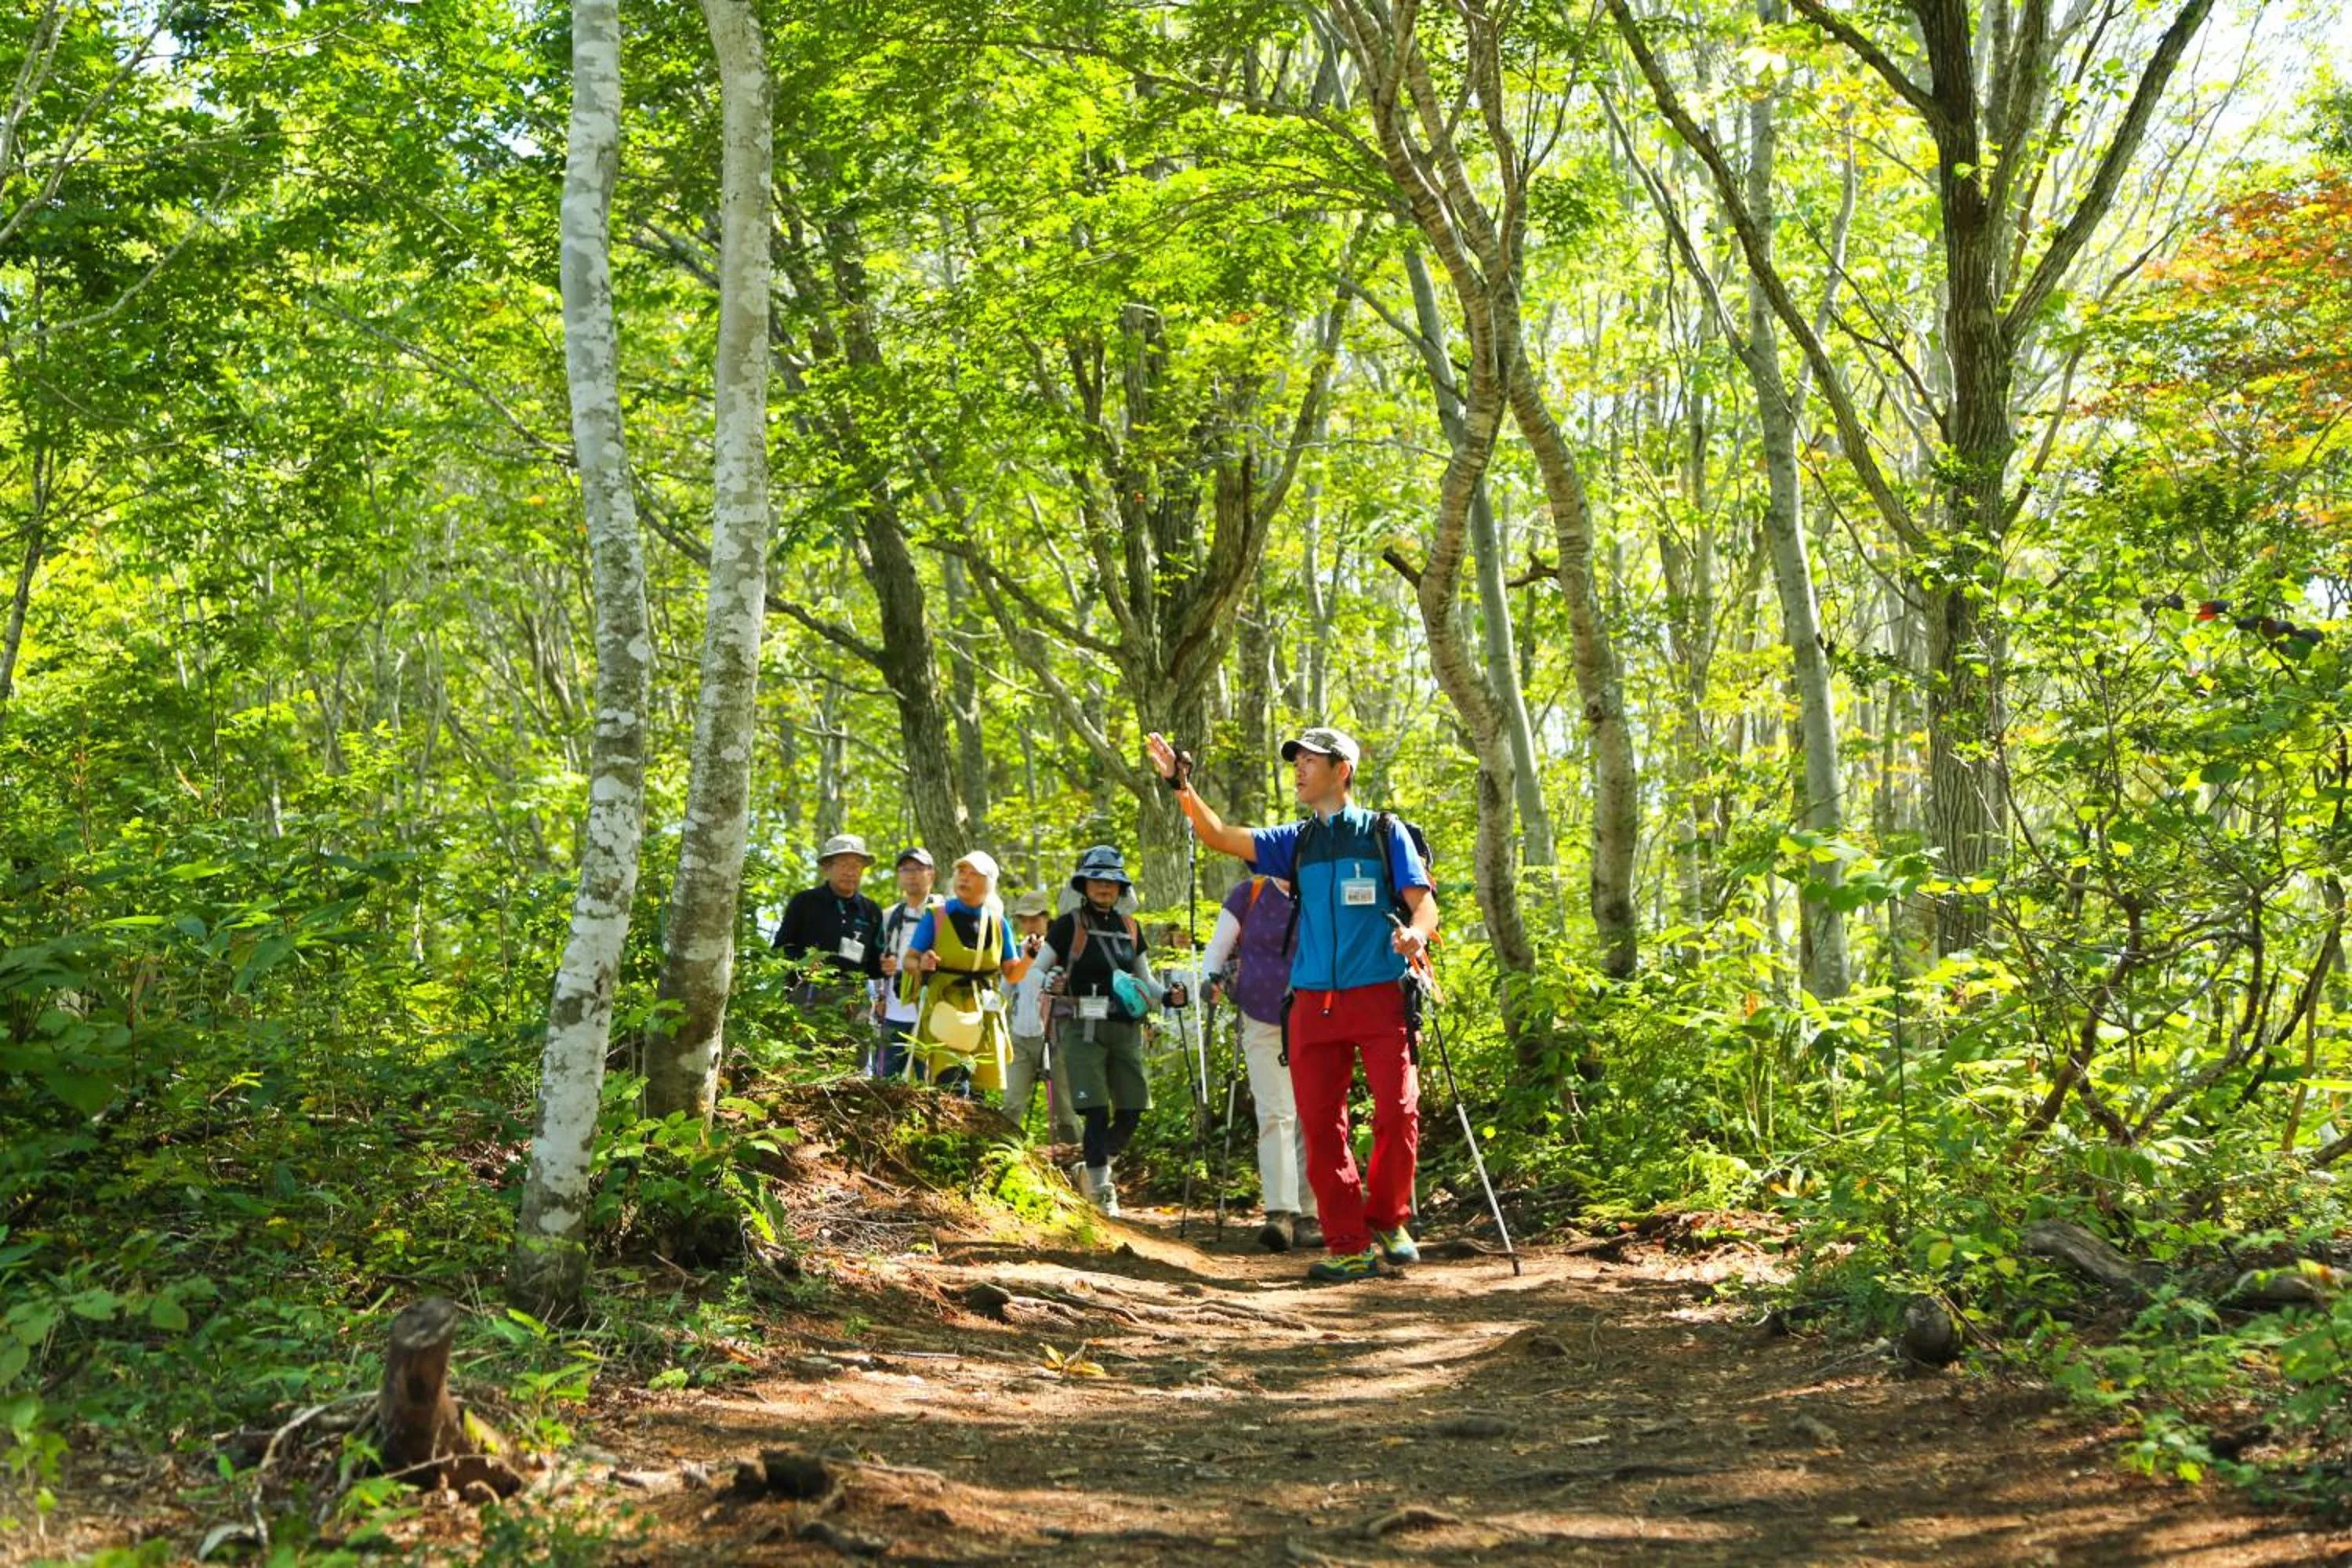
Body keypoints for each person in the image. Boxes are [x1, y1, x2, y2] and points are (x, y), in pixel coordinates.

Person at [1145, 726, 1436, 1283]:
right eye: (1296, 760)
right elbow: (1220, 836)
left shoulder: (1383, 832)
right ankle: (1348, 1243)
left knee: (1398, 1111)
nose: (1299, 769)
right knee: (1322, 1126)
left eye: (1311, 760)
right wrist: (1181, 786)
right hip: (1310, 1005)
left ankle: (1389, 1219)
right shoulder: (1295, 841)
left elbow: (1424, 907)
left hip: (1379, 994)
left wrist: (1416, 936)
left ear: (1342, 769)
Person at [1038, 845, 1189, 1216]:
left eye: (1111, 882)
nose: (1104, 888)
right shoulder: (1067, 925)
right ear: (1084, 885)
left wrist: (1168, 998)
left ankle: (1090, 1167)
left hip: (1125, 1025)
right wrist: (1053, 981)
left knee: (1133, 1107)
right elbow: (1039, 969)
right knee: (1095, 1109)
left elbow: (1145, 980)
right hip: (1082, 1026)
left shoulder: (1130, 928)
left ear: (1121, 888)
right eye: (1097, 881)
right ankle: (1102, 1189)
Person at [1199, 873, 1321, 1253]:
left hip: (1317, 1017)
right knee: (1276, 1113)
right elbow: (1216, 952)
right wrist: (1210, 980)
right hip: (1261, 1016)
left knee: (1313, 1115)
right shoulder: (1248, 894)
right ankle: (1281, 1213)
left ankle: (1311, 1214)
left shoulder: (1319, 888)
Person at [906, 851, 1030, 1096]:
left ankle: (969, 1134)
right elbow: (909, 960)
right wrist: (922, 963)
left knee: (976, 1087)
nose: (965, 878)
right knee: (951, 1079)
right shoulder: (937, 915)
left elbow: (1013, 974)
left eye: (974, 874)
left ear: (989, 883)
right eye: (961, 872)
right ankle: (947, 1131)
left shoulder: (998, 923)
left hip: (983, 1011)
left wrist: (1031, 957)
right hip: (944, 1006)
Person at [772, 834, 884, 1018]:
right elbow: (781, 949)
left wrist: (886, 966)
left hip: (854, 1000)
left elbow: (874, 966)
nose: (850, 872)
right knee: (805, 1047)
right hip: (807, 992)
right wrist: (803, 964)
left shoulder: (871, 911)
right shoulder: (805, 902)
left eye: (856, 866)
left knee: (855, 1047)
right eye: (843, 865)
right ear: (827, 867)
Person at [1004, 891, 1080, 1144]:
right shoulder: (1015, 953)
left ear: (1047, 918)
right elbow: (1004, 991)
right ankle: (1005, 1155)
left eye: (1034, 918)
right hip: (1020, 1038)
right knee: (1012, 1104)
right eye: (1023, 920)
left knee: (1065, 1111)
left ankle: (1079, 1160)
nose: (1028, 925)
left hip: (1055, 1038)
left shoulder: (1061, 953)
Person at [873, 848, 937, 1080]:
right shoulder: (889, 916)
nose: (912, 875)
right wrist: (878, 994)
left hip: (931, 1012)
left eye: (919, 869)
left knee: (929, 1084)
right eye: (906, 869)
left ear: (932, 874)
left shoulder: (943, 914)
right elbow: (877, 960)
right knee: (884, 1083)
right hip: (892, 1011)